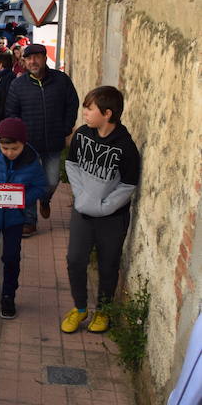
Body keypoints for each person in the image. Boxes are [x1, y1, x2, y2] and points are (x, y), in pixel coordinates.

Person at [60, 86, 140, 334]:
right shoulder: (83, 134)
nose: (84, 112)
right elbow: (71, 165)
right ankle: (81, 308)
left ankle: (103, 310)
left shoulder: (126, 148)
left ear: (107, 113)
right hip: (82, 213)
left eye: (89, 108)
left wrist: (103, 207)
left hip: (112, 219)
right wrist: (81, 195)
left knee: (108, 266)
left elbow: (128, 185)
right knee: (75, 261)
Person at [0, 118, 47, 320]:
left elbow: (41, 186)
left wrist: (22, 199)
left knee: (11, 257)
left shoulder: (32, 160)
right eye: (5, 148)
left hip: (14, 219)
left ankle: (8, 295)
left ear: (23, 143)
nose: (10, 152)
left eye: (15, 148)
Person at [5, 43, 79, 237]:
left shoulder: (61, 80)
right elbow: (12, 113)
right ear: (24, 61)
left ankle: (45, 200)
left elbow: (73, 103)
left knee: (52, 181)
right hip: (28, 145)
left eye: (36, 57)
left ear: (45, 58)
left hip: (54, 143)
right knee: (28, 183)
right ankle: (29, 221)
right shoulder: (18, 85)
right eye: (28, 58)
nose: (33, 61)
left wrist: (66, 127)